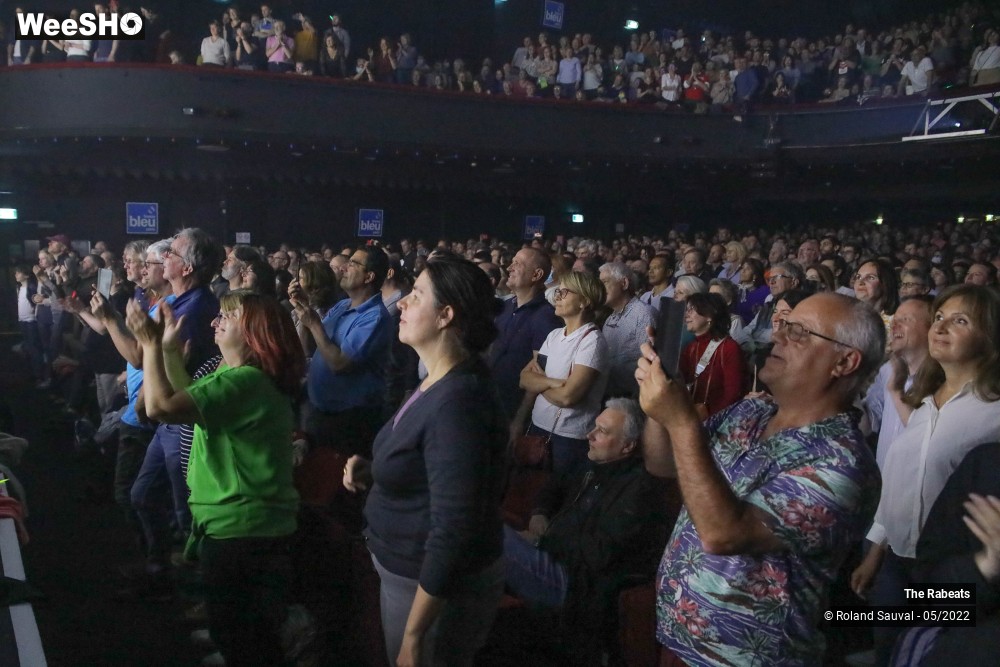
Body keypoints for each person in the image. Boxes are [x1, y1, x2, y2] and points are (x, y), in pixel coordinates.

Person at [636, 292, 884, 665]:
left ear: (845, 361)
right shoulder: (752, 411)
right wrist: (660, 406)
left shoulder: (843, 464)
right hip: (679, 637)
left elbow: (724, 534)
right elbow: (665, 464)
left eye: (799, 332)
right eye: (783, 325)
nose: (776, 336)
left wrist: (682, 422)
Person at [342, 251, 507, 666]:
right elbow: (429, 463)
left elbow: (455, 527)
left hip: (428, 590)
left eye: (416, 295)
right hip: (407, 572)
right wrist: (378, 471)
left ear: (445, 315)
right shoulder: (438, 378)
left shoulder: (458, 403)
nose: (401, 302)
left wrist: (415, 635)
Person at [126, 291, 304, 666]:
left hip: (245, 530)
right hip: (242, 526)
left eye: (227, 317)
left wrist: (150, 345)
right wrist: (169, 351)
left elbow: (161, 407)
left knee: (245, 639)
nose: (214, 322)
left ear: (255, 333)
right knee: (241, 632)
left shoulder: (248, 382)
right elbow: (188, 398)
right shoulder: (234, 375)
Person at [850, 285, 1000, 666]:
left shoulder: (994, 413)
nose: (941, 327)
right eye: (939, 318)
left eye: (960, 320)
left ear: (989, 335)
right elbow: (900, 482)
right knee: (890, 647)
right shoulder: (923, 403)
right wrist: (875, 550)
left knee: (930, 650)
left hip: (953, 568)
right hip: (896, 560)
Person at [502, 399, 674, 664]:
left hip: (574, 586)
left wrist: (541, 540)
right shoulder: (592, 462)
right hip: (553, 556)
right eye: (594, 426)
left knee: (491, 537)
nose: (589, 435)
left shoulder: (638, 490)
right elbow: (554, 487)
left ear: (627, 446)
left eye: (602, 431)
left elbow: (597, 554)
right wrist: (539, 512)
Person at [293, 245, 392, 459]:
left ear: (369, 276)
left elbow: (339, 364)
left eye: (353, 263)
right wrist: (304, 308)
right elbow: (310, 348)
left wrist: (314, 324)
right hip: (319, 411)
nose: (344, 267)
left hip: (347, 421)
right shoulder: (343, 305)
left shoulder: (375, 318)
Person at [517, 271, 610, 474]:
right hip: (537, 426)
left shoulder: (592, 342)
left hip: (567, 439)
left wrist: (540, 382)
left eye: (564, 292)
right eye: (557, 291)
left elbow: (568, 397)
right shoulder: (554, 335)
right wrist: (553, 383)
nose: (557, 297)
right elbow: (524, 378)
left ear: (584, 301)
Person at [489, 248, 561, 421]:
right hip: (490, 402)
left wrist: (519, 420)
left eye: (517, 264)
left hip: (512, 410)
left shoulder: (546, 317)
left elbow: (539, 372)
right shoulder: (506, 307)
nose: (509, 268)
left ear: (536, 275)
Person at [680, 292, 747, 417]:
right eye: (687, 309)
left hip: (717, 420)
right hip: (691, 416)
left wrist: (709, 413)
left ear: (709, 315)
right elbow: (678, 378)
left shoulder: (729, 348)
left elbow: (733, 394)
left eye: (692, 309)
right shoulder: (691, 347)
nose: (686, 315)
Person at [599, 262, 654, 398]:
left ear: (624, 283)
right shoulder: (610, 319)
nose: (600, 288)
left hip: (633, 397)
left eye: (605, 282)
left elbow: (650, 361)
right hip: (610, 393)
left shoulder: (644, 314)